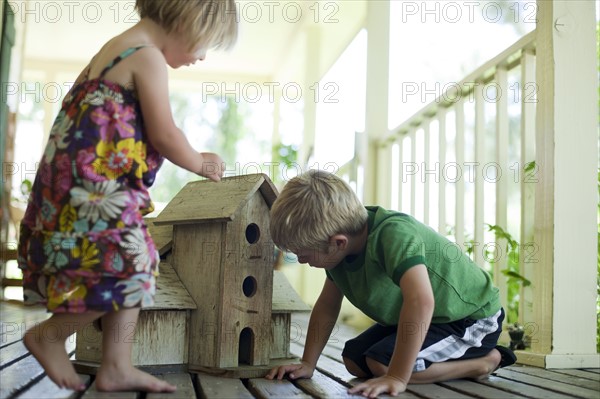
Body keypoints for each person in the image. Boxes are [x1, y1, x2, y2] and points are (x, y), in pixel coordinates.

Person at [17, 0, 238, 393]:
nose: (202, 56)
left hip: (78, 184)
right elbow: (164, 133)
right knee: (134, 261)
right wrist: (200, 162)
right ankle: (52, 334)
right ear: (189, 19)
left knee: (134, 260)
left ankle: (116, 365)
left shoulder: (113, 49)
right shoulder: (146, 56)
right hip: (95, 189)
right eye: (205, 44)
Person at [265, 170, 516, 398]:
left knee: (382, 365)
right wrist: (309, 363)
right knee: (354, 360)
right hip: (431, 320)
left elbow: (421, 301)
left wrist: (396, 376)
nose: (300, 259)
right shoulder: (338, 252)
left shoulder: (393, 235)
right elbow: (327, 306)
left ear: (338, 242)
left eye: (304, 254)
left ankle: (484, 362)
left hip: (470, 319)